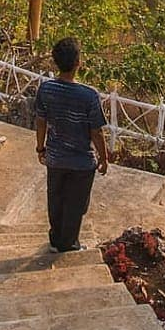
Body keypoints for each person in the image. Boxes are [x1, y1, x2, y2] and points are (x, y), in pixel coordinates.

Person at [35, 37, 109, 253]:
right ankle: (69, 245)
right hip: (81, 161)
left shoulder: (46, 89)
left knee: (55, 199)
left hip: (55, 157)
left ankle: (56, 241)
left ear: (55, 62)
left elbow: (41, 122)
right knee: (76, 205)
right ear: (78, 62)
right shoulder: (88, 95)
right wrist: (103, 158)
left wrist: (41, 149)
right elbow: (96, 132)